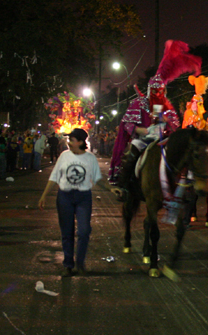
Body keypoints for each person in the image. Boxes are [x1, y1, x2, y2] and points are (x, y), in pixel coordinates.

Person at [108, 40, 198, 182]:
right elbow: (127, 124)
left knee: (181, 157)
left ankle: (187, 183)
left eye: (160, 92)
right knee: (132, 154)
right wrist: (140, 130)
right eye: (155, 92)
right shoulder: (139, 103)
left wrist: (167, 122)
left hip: (162, 141)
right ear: (150, 90)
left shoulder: (167, 106)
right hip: (143, 140)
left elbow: (175, 128)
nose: (157, 95)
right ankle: (124, 184)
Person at [38, 128, 122, 277]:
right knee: (67, 232)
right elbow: (54, 176)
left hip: (83, 197)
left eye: (71, 140)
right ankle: (68, 264)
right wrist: (44, 195)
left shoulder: (90, 158)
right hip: (65, 197)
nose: (69, 143)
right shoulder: (64, 156)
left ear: (81, 142)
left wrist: (111, 189)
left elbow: (98, 178)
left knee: (83, 231)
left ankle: (80, 263)